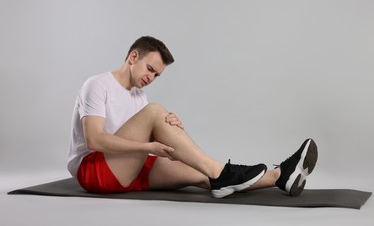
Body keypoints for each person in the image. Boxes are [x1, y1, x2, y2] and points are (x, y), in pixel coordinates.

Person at [67, 36, 318, 198]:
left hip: (128, 167)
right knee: (156, 111)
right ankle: (223, 173)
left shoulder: (137, 97)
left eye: (157, 75)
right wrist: (149, 141)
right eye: (150, 69)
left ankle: (280, 175)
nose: (151, 78)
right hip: (94, 170)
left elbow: (140, 142)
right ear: (133, 57)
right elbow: (94, 140)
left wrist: (172, 131)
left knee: (200, 172)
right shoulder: (98, 85)